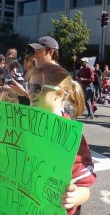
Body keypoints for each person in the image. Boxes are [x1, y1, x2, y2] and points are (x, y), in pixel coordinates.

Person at [25, 63, 96, 214]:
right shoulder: (21, 124)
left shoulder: (71, 136)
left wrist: (75, 196)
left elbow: (85, 187)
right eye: (28, 86)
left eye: (37, 87)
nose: (30, 93)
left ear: (59, 94)